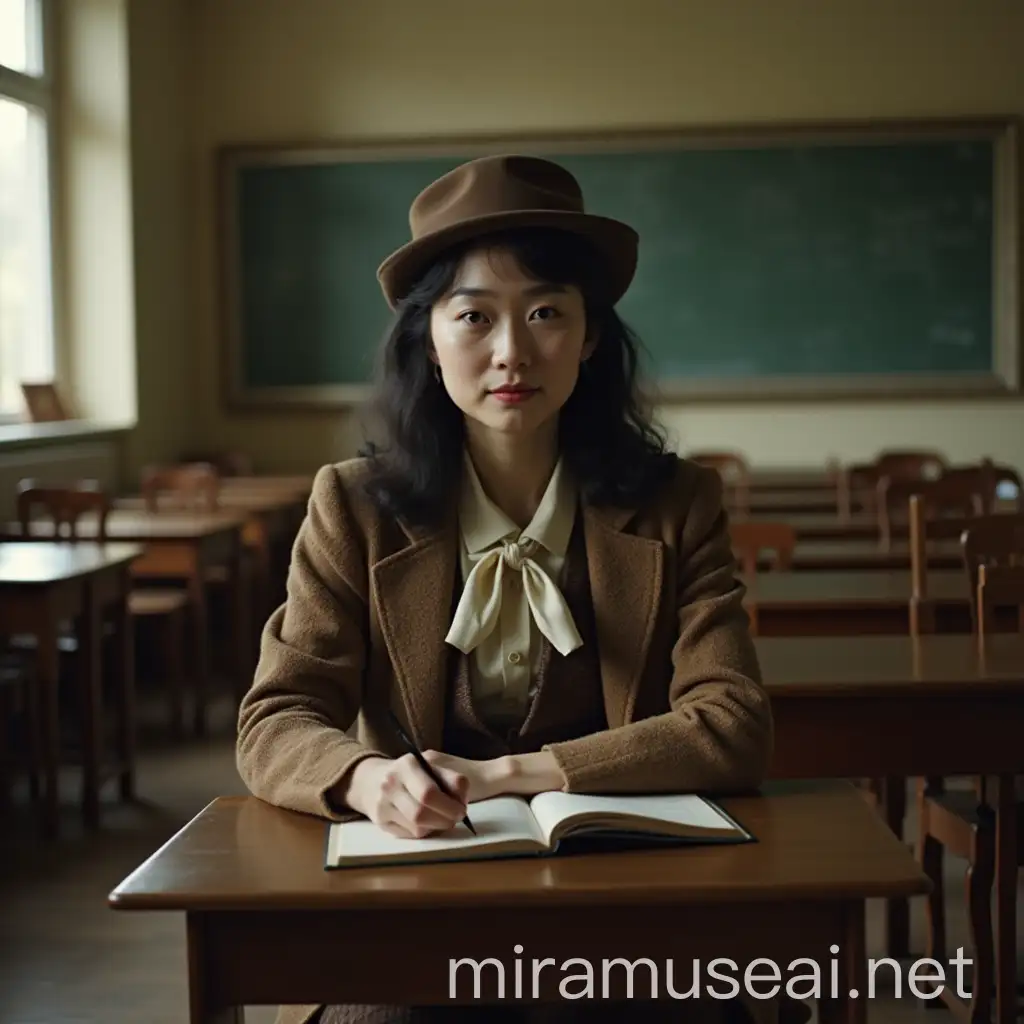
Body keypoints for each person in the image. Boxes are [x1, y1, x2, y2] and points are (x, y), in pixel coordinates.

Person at [236, 154, 777, 1024]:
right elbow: (276, 718)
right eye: (474, 318)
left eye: (546, 314)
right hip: (419, 891)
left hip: (628, 899)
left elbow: (734, 724)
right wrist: (372, 780)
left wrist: (513, 774)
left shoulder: (677, 503)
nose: (511, 352)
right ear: (429, 338)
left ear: (591, 336)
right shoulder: (353, 505)